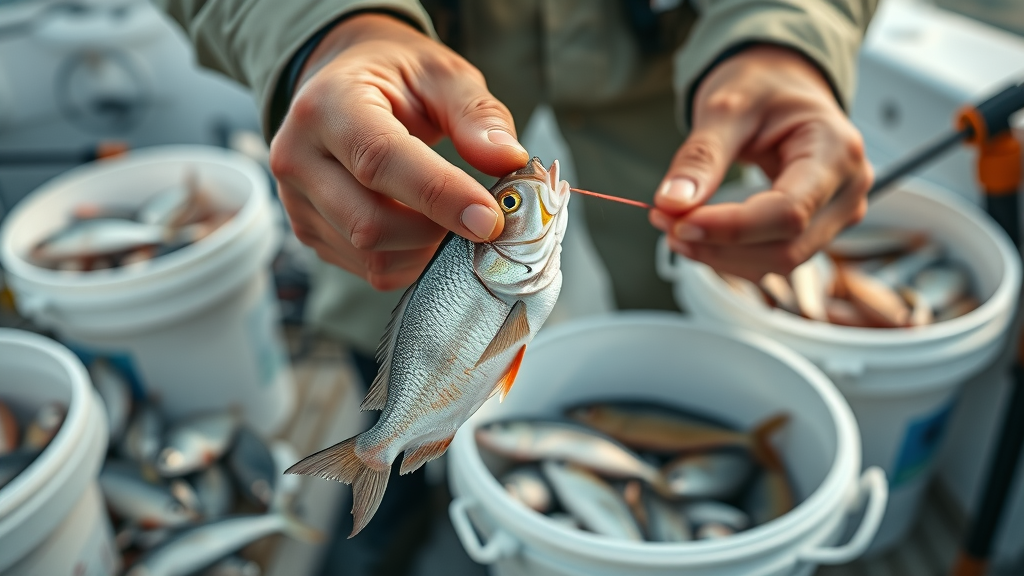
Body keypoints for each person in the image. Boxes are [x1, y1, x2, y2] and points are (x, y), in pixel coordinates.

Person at [156, 0, 875, 573]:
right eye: (510, 204)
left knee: (673, 335)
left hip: (678, 110)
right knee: (378, 305)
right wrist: (327, 32)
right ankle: (392, 496)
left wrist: (787, 37)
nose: (523, 195)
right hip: (409, 123)